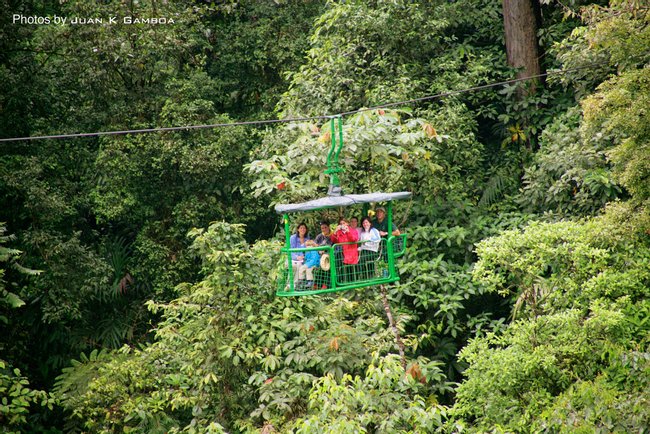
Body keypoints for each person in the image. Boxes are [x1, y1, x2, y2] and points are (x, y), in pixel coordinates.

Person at [330, 217, 359, 282]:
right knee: (337, 264)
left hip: (351, 254)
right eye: (341, 224)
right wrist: (335, 231)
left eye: (344, 223)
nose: (342, 225)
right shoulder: (339, 232)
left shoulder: (353, 230)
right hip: (343, 254)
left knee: (350, 271)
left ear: (347, 223)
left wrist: (348, 232)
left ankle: (351, 283)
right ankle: (338, 282)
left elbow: (354, 239)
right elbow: (334, 240)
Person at [289, 223, 310, 288]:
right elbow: (290, 251)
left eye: (304, 228)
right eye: (301, 228)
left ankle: (296, 285)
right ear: (298, 229)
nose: (303, 229)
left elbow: (308, 250)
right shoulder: (293, 238)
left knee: (302, 265)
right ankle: (291, 284)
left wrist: (304, 257)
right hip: (293, 258)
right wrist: (296, 257)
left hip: (303, 259)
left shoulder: (307, 238)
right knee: (295, 265)